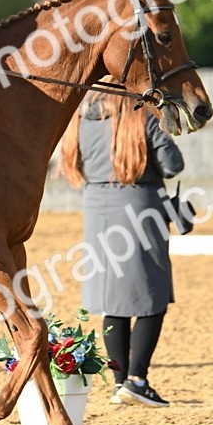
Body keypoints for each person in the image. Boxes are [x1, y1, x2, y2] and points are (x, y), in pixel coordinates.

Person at [59, 88, 185, 407]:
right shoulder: (144, 116)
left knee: (113, 300)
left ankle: (119, 382)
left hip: (97, 207)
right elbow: (173, 165)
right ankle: (137, 379)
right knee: (152, 297)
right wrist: (165, 121)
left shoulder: (81, 118)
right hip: (140, 207)